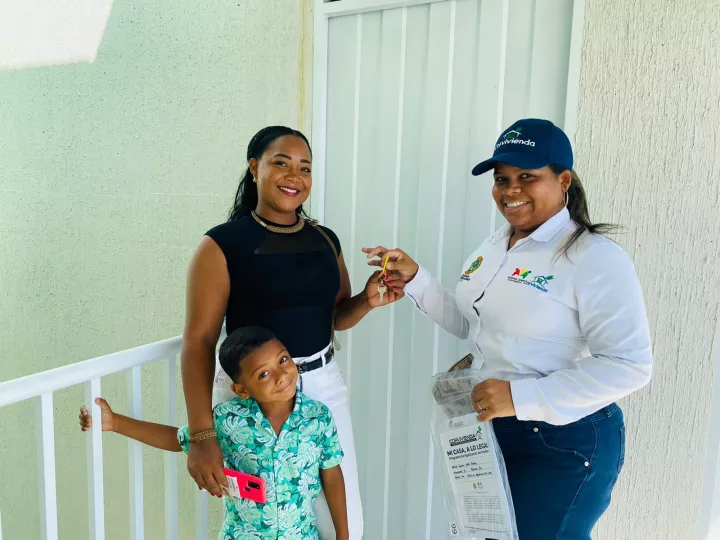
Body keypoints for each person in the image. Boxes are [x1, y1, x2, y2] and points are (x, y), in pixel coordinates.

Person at [364, 118, 653, 539]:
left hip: (562, 440)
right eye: (502, 179)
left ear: (563, 180)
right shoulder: (495, 245)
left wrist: (519, 397)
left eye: (527, 176)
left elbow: (629, 365)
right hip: (496, 429)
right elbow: (474, 325)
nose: (510, 190)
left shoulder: (594, 257)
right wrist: (417, 281)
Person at [181, 126, 401, 540]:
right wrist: (202, 433)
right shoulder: (222, 244)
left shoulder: (324, 239)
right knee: (266, 521)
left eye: (305, 168)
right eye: (281, 163)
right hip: (253, 392)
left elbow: (336, 316)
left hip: (321, 385)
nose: (294, 176)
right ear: (254, 168)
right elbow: (199, 341)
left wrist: (367, 301)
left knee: (345, 523)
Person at [80, 327, 349, 540]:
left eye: (283, 359)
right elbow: (176, 439)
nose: (281, 375)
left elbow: (333, 475)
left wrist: (344, 535)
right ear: (242, 390)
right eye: (264, 374)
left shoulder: (318, 417)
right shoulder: (227, 420)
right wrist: (116, 422)